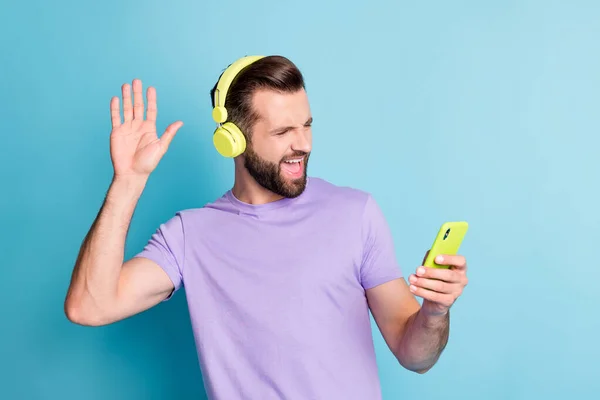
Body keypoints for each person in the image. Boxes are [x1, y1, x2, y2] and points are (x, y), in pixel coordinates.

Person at [64, 55, 469, 399]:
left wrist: (434, 312)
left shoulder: (355, 212)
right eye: (283, 132)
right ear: (232, 139)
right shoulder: (190, 236)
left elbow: (415, 356)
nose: (304, 143)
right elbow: (89, 306)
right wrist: (128, 182)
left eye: (307, 125)